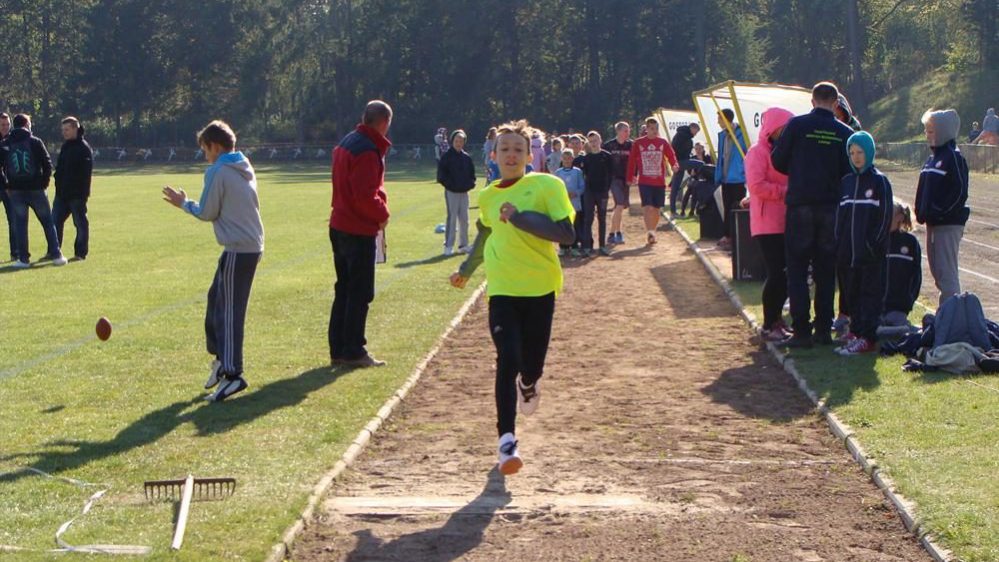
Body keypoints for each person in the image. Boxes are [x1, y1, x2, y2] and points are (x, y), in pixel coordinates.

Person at [449, 119, 575, 476]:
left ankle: (529, 383)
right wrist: (466, 269)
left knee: (531, 364)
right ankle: (507, 442)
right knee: (508, 358)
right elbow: (485, 235)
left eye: (519, 149)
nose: (511, 154)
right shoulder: (488, 196)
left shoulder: (547, 185)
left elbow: (566, 234)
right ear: (493, 155)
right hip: (502, 289)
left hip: (540, 288)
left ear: (530, 156)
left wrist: (521, 218)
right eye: (504, 148)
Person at [161, 120, 264, 402]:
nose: (205, 156)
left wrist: (184, 203)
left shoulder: (218, 170)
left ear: (215, 147)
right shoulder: (242, 163)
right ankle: (220, 360)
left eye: (206, 150)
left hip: (239, 249)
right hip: (246, 246)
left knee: (229, 312)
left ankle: (233, 374)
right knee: (216, 300)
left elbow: (207, 211)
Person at [771, 82, 854, 348]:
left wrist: (799, 170)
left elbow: (778, 160)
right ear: (836, 104)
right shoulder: (844, 132)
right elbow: (849, 170)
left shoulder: (796, 126)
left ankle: (801, 330)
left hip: (800, 205)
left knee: (797, 269)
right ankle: (823, 329)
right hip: (830, 207)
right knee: (825, 270)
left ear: (812, 101)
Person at [328, 100, 393, 368]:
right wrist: (383, 214)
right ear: (384, 123)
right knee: (360, 292)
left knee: (344, 289)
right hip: (357, 229)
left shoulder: (348, 141)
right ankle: (354, 350)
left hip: (339, 224)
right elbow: (365, 196)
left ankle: (339, 348)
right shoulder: (367, 150)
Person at [834, 131, 893, 356]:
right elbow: (840, 217)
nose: (856, 157)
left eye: (860, 152)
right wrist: (839, 244)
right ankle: (856, 333)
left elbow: (885, 216)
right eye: (852, 153)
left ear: (869, 152)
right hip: (848, 254)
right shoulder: (846, 182)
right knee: (852, 295)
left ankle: (868, 338)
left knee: (869, 297)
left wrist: (872, 245)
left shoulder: (879, 182)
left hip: (870, 255)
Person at [744, 107, 794, 342]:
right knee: (776, 273)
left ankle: (777, 320)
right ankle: (769, 323)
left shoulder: (784, 151)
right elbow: (756, 185)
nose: (787, 132)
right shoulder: (757, 152)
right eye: (784, 128)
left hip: (786, 220)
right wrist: (785, 191)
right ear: (773, 128)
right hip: (766, 223)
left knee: (785, 273)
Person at [915, 108, 969, 306]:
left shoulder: (953, 157)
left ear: (944, 132)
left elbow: (959, 192)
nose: (927, 135)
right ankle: (946, 312)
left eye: (931, 131)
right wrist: (921, 212)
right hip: (933, 224)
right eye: (926, 130)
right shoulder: (932, 159)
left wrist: (940, 212)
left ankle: (952, 316)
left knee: (947, 274)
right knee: (938, 273)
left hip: (947, 225)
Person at [1, 113, 64, 268]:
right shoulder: (35, 141)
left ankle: (23, 259)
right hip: (36, 189)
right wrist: (44, 182)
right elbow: (47, 163)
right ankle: (56, 255)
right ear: (26, 124)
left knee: (20, 225)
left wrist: (7, 185)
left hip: (16, 190)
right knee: (48, 222)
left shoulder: (5, 143)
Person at [626, 116, 679, 245]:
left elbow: (671, 155)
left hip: (659, 182)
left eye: (656, 128)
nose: (654, 131)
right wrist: (630, 176)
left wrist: (674, 164)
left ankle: (653, 231)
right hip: (644, 182)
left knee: (656, 209)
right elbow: (632, 160)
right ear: (647, 129)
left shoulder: (662, 142)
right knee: (648, 207)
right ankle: (650, 232)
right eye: (652, 129)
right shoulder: (638, 143)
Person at [52, 117, 94, 261]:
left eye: (67, 129)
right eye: (63, 130)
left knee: (80, 224)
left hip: (77, 195)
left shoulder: (84, 148)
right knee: (54, 222)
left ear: (76, 128)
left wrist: (82, 193)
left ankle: (80, 253)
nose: (64, 132)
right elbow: (59, 168)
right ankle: (54, 251)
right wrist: (58, 183)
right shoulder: (65, 146)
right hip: (62, 194)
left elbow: (85, 174)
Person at [881, 203, 921, 330]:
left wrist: (908, 300)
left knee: (897, 326)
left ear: (900, 218)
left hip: (898, 307)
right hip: (875, 306)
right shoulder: (877, 239)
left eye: (889, 215)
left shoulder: (910, 242)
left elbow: (916, 276)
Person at [436, 129, 476, 256]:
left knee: (464, 219)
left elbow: (472, 175)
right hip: (451, 192)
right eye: (457, 141)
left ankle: (464, 245)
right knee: (452, 218)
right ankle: (448, 246)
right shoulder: (446, 157)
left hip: (464, 192)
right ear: (452, 141)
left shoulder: (466, 158)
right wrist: (450, 185)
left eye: (461, 141)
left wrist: (470, 184)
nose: (459, 143)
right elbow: (441, 175)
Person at [714, 109, 748, 251]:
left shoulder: (741, 134)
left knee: (737, 208)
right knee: (727, 207)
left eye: (719, 119)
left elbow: (746, 153)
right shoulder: (722, 135)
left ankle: (737, 237)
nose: (718, 122)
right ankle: (727, 235)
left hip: (738, 178)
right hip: (726, 178)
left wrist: (742, 170)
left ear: (726, 119)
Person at [578, 131, 613, 256]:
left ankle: (602, 246)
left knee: (602, 218)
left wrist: (607, 189)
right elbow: (584, 174)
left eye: (595, 140)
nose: (593, 143)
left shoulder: (607, 156)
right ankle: (587, 246)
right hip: (590, 192)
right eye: (591, 141)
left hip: (602, 192)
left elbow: (611, 174)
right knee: (588, 218)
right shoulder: (586, 158)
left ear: (600, 140)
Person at [603, 121, 633, 245]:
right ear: (618, 131)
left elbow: (635, 161)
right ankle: (613, 234)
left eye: (628, 130)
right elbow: (603, 162)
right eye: (625, 130)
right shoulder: (609, 146)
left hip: (626, 179)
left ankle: (616, 232)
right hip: (614, 179)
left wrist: (634, 175)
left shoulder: (631, 145)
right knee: (620, 205)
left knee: (620, 207)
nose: (628, 133)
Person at [553, 148, 584, 257]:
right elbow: (555, 188)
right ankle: (563, 247)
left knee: (575, 225)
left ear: (572, 158)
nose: (567, 160)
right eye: (565, 158)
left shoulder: (577, 172)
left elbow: (582, 186)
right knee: (563, 225)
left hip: (575, 204)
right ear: (561, 159)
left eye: (569, 158)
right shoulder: (558, 172)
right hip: (562, 204)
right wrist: (562, 194)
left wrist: (576, 193)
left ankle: (574, 247)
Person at [669, 122, 700, 217]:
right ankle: (700, 180)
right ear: (692, 128)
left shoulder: (683, 135)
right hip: (680, 162)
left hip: (678, 162)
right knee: (701, 164)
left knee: (675, 187)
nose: (696, 134)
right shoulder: (683, 136)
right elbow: (677, 149)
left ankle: (673, 211)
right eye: (696, 131)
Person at [0, 113, 15, 261]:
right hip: (3, 183)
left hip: (10, 187)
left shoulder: (13, 140)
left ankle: (15, 253)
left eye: (7, 124)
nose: (5, 127)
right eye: (2, 125)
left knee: (13, 219)